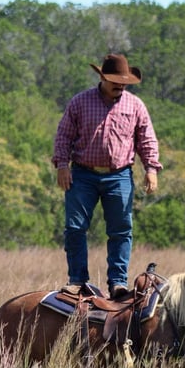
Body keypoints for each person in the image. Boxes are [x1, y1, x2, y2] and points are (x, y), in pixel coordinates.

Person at [52, 53, 162, 300]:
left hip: (120, 176)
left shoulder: (135, 105)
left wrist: (151, 168)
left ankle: (118, 283)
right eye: (115, 80)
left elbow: (146, 139)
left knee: (121, 230)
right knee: (75, 228)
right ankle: (77, 281)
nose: (120, 85)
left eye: (124, 82)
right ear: (102, 78)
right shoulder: (80, 102)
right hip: (82, 174)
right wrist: (62, 165)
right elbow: (64, 135)